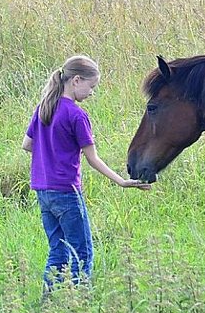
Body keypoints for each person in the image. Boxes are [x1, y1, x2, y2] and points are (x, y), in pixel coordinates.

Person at [22, 55, 149, 289]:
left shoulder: (44, 108)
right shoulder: (77, 115)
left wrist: (52, 152)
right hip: (67, 192)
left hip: (43, 191)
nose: (92, 93)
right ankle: (82, 306)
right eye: (91, 87)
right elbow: (93, 159)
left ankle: (48, 302)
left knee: (57, 250)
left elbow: (27, 145)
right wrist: (121, 181)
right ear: (76, 81)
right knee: (83, 252)